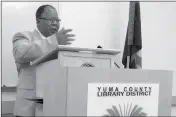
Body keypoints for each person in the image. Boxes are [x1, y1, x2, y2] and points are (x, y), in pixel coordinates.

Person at [12, 4, 75, 116]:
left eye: (57, 20)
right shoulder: (23, 36)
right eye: (51, 20)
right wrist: (54, 41)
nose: (55, 23)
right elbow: (20, 53)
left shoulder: (59, 45)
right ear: (38, 21)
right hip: (28, 109)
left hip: (53, 106)